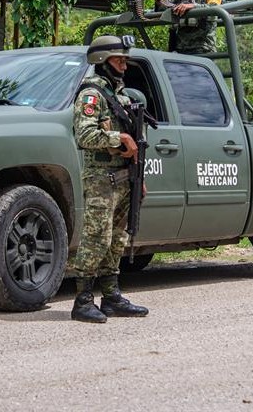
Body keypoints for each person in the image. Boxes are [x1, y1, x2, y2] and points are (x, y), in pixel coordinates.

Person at [70, 34, 149, 323]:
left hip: (124, 177)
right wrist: (119, 137)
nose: (124, 66)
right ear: (102, 61)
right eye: (119, 60)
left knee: (117, 238)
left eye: (125, 60)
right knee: (96, 238)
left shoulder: (122, 97)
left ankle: (112, 297)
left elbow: (138, 144)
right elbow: (84, 134)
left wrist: (138, 179)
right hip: (101, 178)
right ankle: (82, 301)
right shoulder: (91, 96)